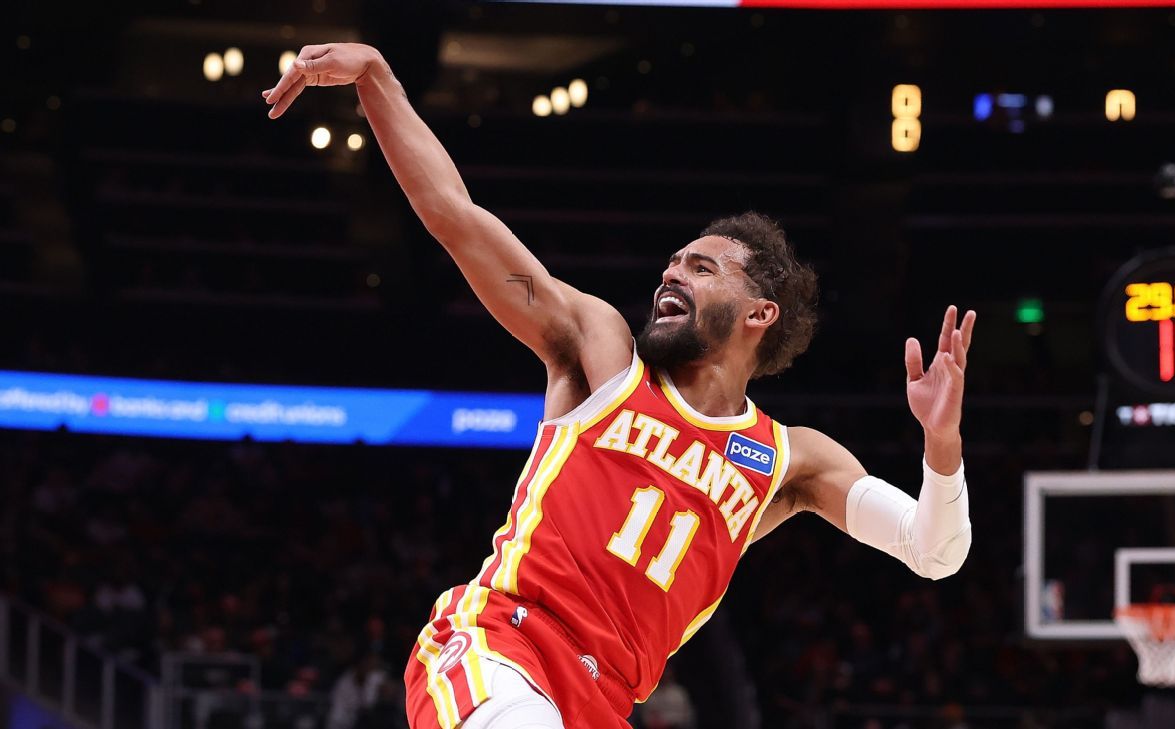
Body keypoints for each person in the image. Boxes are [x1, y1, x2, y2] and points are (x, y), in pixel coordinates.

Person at [264, 43, 975, 729]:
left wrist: (942, 444)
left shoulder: (792, 462)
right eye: (673, 262)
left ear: (759, 313)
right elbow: (456, 216)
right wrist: (379, 80)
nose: (672, 273)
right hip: (500, 646)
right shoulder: (602, 354)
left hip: (600, 702)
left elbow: (935, 552)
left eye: (700, 268)